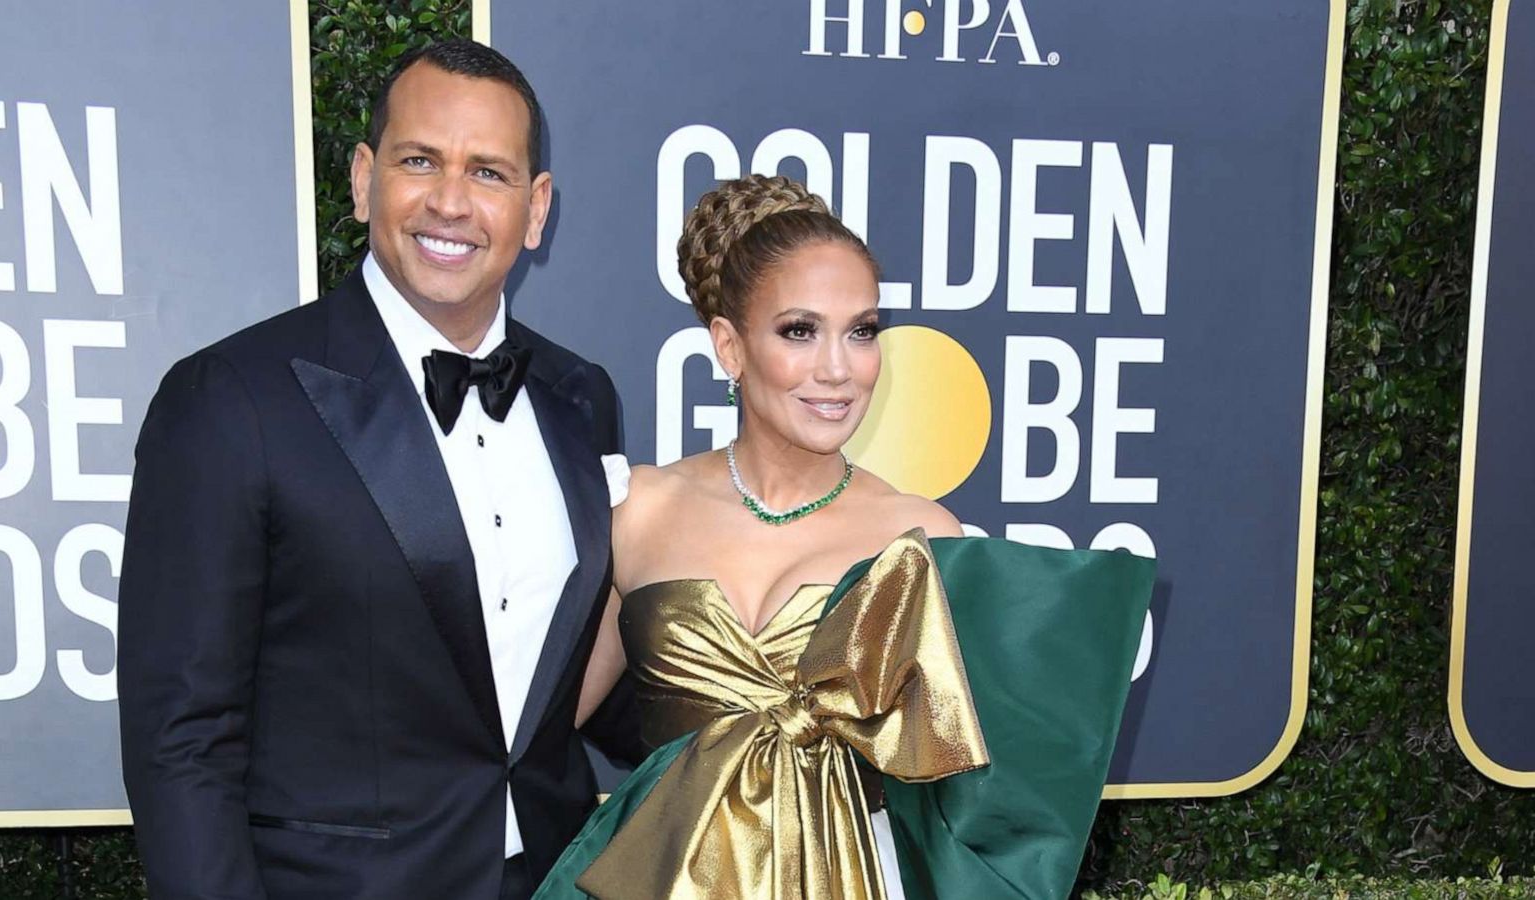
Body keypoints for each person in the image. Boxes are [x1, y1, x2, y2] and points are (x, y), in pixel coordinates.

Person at [535, 175, 1157, 900]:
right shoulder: (639, 507)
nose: (839, 369)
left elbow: (981, 807)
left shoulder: (919, 536)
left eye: (862, 331)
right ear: (729, 347)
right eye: (800, 331)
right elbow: (538, 727)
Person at [118, 40, 636, 900]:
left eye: (490, 173)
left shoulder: (581, 397)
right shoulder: (228, 400)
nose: (450, 201)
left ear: (536, 209)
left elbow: (574, 684)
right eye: (419, 160)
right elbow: (183, 741)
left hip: (553, 881)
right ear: (364, 179)